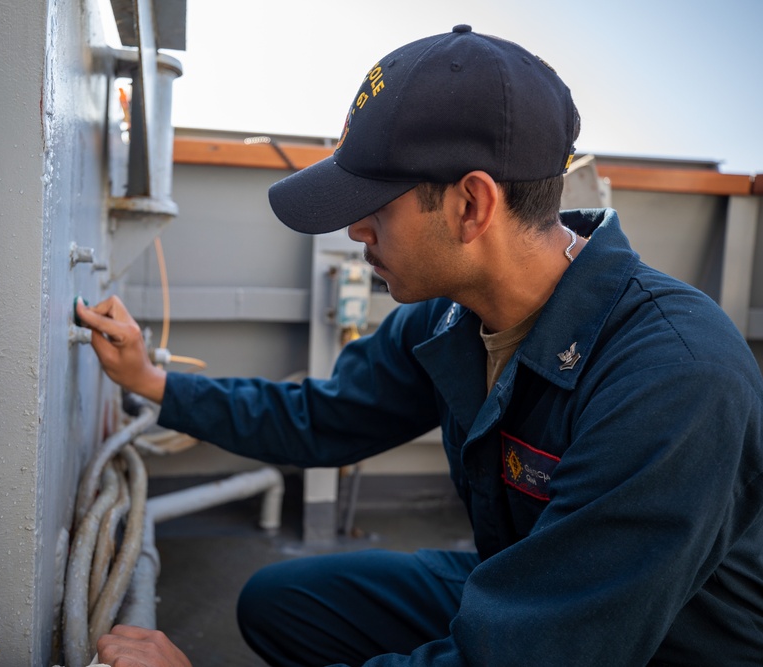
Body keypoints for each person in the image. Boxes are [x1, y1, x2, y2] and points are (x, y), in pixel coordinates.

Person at [76, 25, 763, 667]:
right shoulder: (449, 316)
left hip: (658, 638)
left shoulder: (676, 376)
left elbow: (544, 650)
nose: (355, 232)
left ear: (472, 205)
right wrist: (153, 382)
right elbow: (326, 417)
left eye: (375, 205)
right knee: (281, 603)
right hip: (536, 586)